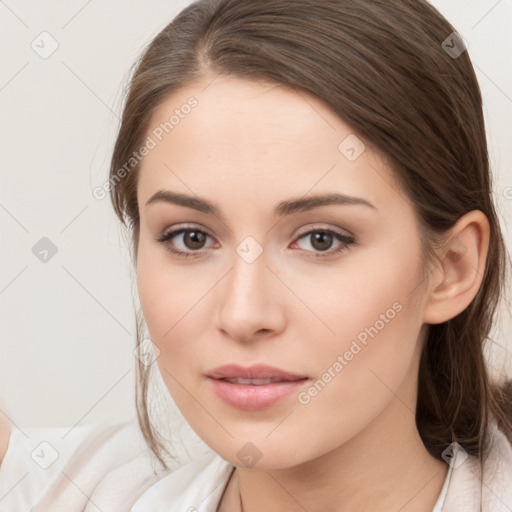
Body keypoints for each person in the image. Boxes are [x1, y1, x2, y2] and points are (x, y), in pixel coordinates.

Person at [1, 0, 512, 510]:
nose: (243, 314)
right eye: (191, 238)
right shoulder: (57, 491)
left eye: (321, 239)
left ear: (452, 268)